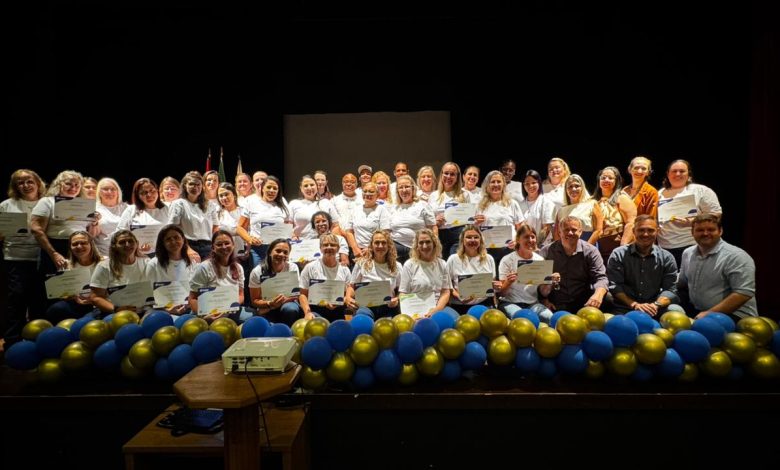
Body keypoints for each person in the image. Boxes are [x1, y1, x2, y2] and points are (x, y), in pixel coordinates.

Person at [675, 214, 757, 320]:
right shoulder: (687, 253)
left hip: (736, 316)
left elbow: (743, 293)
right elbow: (682, 281)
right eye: (700, 230)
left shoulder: (736, 256)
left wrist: (709, 313)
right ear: (692, 233)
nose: (705, 233)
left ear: (720, 231)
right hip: (700, 312)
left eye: (711, 229)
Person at [1, 169, 48, 345]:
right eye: (20, 182)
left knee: (39, 300)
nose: (25, 185)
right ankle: (12, 341)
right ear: (15, 186)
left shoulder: (47, 203)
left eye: (29, 181)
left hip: (42, 257)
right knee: (17, 299)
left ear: (37, 183)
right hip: (16, 258)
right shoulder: (7, 204)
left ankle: (38, 340)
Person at [606, 215, 679, 316]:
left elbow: (670, 289)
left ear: (657, 231)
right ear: (633, 231)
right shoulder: (619, 254)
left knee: (676, 311)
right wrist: (634, 304)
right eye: (641, 230)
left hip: (654, 308)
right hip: (625, 307)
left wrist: (656, 305)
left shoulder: (667, 257)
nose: (645, 234)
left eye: (650, 230)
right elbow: (615, 286)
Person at [657, 159, 722, 267]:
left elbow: (716, 214)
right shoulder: (660, 193)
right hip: (665, 247)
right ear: (668, 174)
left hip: (693, 245)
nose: (678, 174)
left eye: (682, 171)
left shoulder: (701, 190)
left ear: (689, 174)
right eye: (674, 171)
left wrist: (694, 222)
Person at [538, 216, 609, 312]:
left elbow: (601, 278)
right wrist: (544, 300)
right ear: (559, 232)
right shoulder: (546, 251)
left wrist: (598, 295)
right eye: (566, 230)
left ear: (581, 232)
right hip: (555, 303)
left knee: (609, 299)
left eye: (574, 230)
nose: (570, 233)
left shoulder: (591, 251)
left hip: (584, 302)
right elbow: (537, 279)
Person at [30, 170, 89, 276]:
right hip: (56, 248)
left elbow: (89, 231)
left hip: (80, 249)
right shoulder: (47, 201)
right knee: (55, 287)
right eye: (68, 184)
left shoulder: (83, 205)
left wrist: (95, 221)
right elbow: (36, 230)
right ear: (59, 185)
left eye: (77, 185)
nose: (73, 188)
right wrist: (54, 254)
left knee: (78, 287)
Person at [189, 230, 252, 323]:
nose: (224, 247)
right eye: (219, 244)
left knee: (253, 317)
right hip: (207, 313)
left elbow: (241, 295)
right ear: (213, 248)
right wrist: (204, 315)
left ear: (233, 245)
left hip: (230, 311)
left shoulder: (238, 268)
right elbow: (193, 298)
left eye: (227, 243)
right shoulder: (204, 267)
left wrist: (230, 307)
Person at [496, 224, 554, 322]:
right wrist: (508, 282)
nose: (530, 240)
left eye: (533, 237)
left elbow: (544, 292)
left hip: (533, 304)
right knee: (524, 319)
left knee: (550, 318)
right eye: (526, 237)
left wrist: (549, 282)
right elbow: (501, 293)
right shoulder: (507, 260)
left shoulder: (540, 260)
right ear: (518, 239)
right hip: (510, 303)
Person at [45, 231, 103, 323]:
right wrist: (75, 297)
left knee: (89, 320)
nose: (79, 246)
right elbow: (62, 293)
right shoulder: (66, 265)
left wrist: (94, 298)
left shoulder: (104, 263)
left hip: (100, 303)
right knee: (55, 309)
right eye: (75, 244)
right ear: (70, 247)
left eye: (83, 243)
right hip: (77, 303)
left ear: (91, 244)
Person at [90, 230, 150, 316]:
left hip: (145, 310)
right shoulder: (104, 266)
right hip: (115, 312)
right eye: (122, 242)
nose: (127, 244)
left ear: (137, 244)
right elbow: (95, 297)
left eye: (130, 241)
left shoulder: (147, 263)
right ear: (114, 246)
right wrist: (116, 309)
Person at [344, 231, 402, 319]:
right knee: (361, 321)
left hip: (387, 307)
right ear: (372, 245)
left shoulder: (397, 266)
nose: (380, 246)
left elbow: (402, 291)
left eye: (384, 243)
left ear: (389, 245)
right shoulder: (361, 263)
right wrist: (348, 297)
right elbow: (352, 286)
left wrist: (397, 300)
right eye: (377, 243)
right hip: (365, 307)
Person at [474, 170, 524, 273]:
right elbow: (474, 230)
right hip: (486, 251)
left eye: (499, 182)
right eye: (492, 182)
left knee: (508, 280)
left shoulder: (512, 203)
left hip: (509, 250)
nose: (496, 184)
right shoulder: (479, 205)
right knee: (490, 283)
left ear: (503, 184)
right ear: (487, 185)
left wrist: (517, 241)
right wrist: (475, 224)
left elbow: (521, 226)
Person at [236, 175, 291, 267]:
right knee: (259, 277)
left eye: (275, 188)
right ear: (262, 188)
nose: (272, 190)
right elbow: (239, 228)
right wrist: (250, 239)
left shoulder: (283, 204)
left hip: (278, 250)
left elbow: (287, 227)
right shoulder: (251, 202)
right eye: (269, 187)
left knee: (277, 279)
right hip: (258, 249)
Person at [248, 238, 303, 326]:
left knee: (291, 309)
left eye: (285, 252)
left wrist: (280, 302)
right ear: (270, 252)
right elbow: (255, 301)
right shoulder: (257, 272)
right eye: (278, 251)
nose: (281, 254)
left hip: (288, 303)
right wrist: (271, 304)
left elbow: (296, 294)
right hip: (266, 307)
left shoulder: (292, 268)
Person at [399, 229, 452, 318]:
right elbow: (403, 294)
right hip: (415, 309)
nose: (424, 246)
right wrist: (411, 314)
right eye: (421, 243)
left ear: (434, 243)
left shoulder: (443, 264)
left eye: (428, 242)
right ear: (417, 246)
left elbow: (445, 292)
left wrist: (437, 309)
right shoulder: (409, 265)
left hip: (438, 307)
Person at [145, 225, 197, 316]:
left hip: (187, 309)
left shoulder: (191, 262)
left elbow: (195, 291)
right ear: (163, 243)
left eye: (176, 237)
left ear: (183, 239)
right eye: (168, 239)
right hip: (162, 311)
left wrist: (190, 304)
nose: (173, 242)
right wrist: (167, 310)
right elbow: (148, 296)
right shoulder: (153, 264)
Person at [298, 233, 352, 321]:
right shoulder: (310, 267)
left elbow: (349, 294)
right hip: (315, 310)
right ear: (320, 248)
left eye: (333, 245)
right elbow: (302, 294)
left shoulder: (345, 269)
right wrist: (307, 312)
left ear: (338, 248)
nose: (329, 247)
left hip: (338, 309)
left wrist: (341, 301)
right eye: (325, 245)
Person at [446, 225, 497, 315]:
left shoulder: (489, 258)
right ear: (462, 240)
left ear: (480, 240)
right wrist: (458, 296)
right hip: (459, 306)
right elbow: (447, 286)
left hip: (484, 305)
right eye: (469, 237)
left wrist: (497, 286)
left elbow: (492, 283)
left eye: (476, 237)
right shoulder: (453, 259)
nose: (473, 240)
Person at [168, 171, 216, 261]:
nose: (195, 187)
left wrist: (213, 247)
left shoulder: (210, 205)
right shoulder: (178, 204)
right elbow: (173, 229)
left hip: (208, 247)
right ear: (185, 185)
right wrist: (187, 249)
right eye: (191, 184)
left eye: (198, 185)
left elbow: (216, 227)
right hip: (187, 246)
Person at [592, 166, 637, 263]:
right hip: (595, 246)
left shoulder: (622, 198)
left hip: (615, 245)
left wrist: (622, 247)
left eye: (610, 178)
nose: (606, 180)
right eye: (603, 177)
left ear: (617, 181)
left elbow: (631, 223)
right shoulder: (593, 200)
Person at [389, 174, 436, 264]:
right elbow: (388, 231)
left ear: (413, 189)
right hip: (396, 249)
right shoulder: (393, 208)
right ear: (397, 191)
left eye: (407, 187)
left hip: (418, 248)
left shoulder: (423, 205)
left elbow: (433, 228)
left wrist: (434, 248)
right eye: (400, 187)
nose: (404, 190)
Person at [117, 177, 170, 256]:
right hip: (136, 254)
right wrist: (134, 246)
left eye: (152, 190)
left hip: (163, 254)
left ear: (157, 190)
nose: (149, 195)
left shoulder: (167, 208)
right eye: (143, 192)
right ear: (138, 195)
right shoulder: (131, 210)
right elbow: (120, 232)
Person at [430, 162, 472, 256]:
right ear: (441, 174)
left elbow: (469, 220)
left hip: (457, 235)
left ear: (457, 177)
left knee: (454, 263)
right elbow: (429, 219)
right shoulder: (433, 195)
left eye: (452, 174)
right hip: (439, 235)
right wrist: (435, 221)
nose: (448, 176)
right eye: (446, 173)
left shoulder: (464, 195)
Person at [345, 181, 391, 259]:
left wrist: (370, 249)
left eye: (371, 192)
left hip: (376, 252)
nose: (367, 194)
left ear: (377, 195)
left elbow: (385, 233)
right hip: (357, 252)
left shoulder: (382, 210)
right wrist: (355, 249)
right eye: (365, 191)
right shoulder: (355, 209)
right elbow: (349, 232)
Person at [554, 174, 603, 244]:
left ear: (582, 188)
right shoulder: (561, 211)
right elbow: (557, 234)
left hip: (588, 245)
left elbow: (599, 230)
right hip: (566, 249)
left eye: (577, 186)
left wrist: (587, 248)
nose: (573, 189)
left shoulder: (592, 204)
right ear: (566, 190)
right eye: (570, 187)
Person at [289, 175, 341, 240]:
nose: (309, 188)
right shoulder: (294, 203)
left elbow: (335, 225)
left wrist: (333, 240)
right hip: (301, 244)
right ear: (301, 188)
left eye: (312, 185)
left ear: (316, 186)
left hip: (324, 244)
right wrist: (293, 236)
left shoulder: (326, 202)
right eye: (305, 186)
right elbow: (288, 224)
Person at [90, 177, 128, 257]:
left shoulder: (128, 208)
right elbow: (91, 236)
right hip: (104, 255)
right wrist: (94, 223)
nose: (109, 192)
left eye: (113, 189)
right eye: (105, 189)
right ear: (99, 192)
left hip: (126, 254)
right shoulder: (94, 209)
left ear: (118, 192)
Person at [518, 169, 555, 247]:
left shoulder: (546, 203)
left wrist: (535, 245)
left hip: (541, 247)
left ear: (539, 183)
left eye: (534, 183)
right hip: (523, 247)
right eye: (527, 183)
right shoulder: (520, 205)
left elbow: (546, 229)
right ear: (523, 185)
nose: (530, 186)